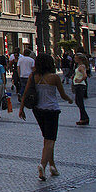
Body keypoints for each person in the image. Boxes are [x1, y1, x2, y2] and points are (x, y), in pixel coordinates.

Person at [20, 52, 72, 180]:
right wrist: (70, 99)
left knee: (47, 138)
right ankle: (42, 165)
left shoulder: (33, 76)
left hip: (38, 110)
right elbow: (62, 94)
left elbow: (25, 93)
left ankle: (52, 166)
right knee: (51, 139)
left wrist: (21, 109)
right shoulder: (54, 77)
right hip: (51, 110)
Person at [72, 53, 90, 125]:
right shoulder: (78, 66)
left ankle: (84, 118)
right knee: (78, 101)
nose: (74, 59)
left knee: (80, 102)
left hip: (80, 85)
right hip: (77, 85)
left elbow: (85, 75)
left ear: (79, 59)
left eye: (76, 58)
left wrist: (80, 80)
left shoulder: (81, 66)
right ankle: (84, 117)